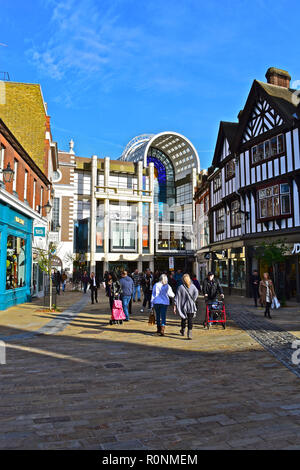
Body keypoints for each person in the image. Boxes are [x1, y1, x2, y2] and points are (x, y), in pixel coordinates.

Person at [174, 273, 199, 340]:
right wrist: (193, 299)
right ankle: (189, 333)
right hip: (191, 306)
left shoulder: (180, 287)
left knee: (183, 319)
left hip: (183, 306)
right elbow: (196, 293)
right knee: (190, 320)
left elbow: (176, 297)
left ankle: (183, 329)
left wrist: (175, 306)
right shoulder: (193, 286)